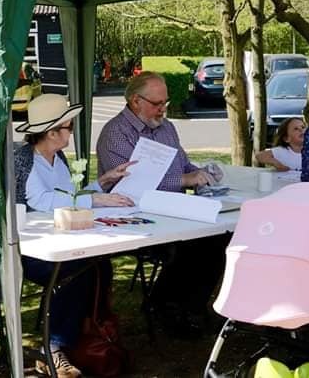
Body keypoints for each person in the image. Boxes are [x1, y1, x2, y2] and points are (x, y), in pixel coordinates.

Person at [96, 71, 228, 337]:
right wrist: (184, 178)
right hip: (134, 216)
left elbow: (184, 166)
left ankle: (187, 306)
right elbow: (132, 186)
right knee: (191, 244)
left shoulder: (166, 127)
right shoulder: (115, 134)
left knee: (219, 237)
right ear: (136, 101)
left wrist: (204, 173)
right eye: (157, 104)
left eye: (165, 103)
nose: (163, 110)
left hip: (174, 211)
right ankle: (167, 306)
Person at [14, 93, 134, 378]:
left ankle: (87, 335)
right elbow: (42, 202)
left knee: (98, 263)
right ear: (52, 132)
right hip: (30, 249)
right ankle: (52, 347)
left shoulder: (57, 159)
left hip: (59, 240)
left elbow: (70, 197)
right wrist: (96, 201)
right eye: (68, 126)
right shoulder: (24, 160)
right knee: (78, 268)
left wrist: (102, 183)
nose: (71, 131)